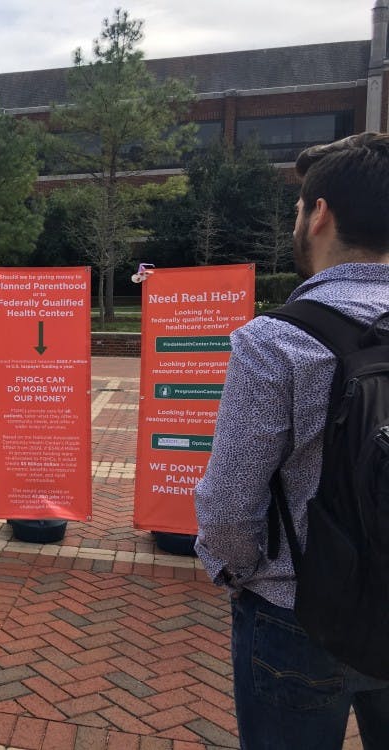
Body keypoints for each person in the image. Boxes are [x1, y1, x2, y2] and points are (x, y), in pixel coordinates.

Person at [194, 133, 389, 749]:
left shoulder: (275, 341)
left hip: (297, 612)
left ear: (320, 213)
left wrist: (247, 575)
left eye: (299, 209)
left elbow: (228, 504)